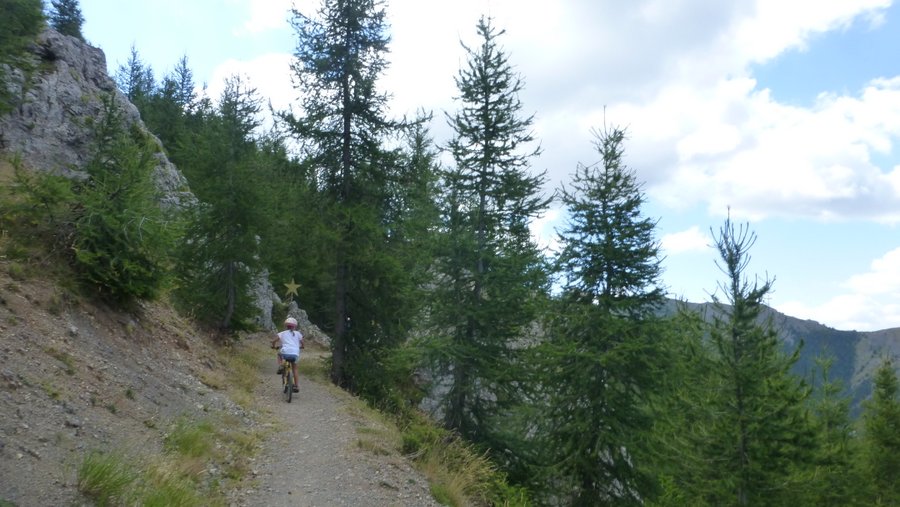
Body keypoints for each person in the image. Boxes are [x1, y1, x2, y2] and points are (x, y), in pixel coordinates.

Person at [271, 317, 303, 393]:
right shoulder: (298, 334)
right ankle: (296, 386)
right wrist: (302, 346)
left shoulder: (282, 333)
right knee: (295, 369)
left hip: (285, 352)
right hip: (295, 353)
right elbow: (302, 343)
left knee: (279, 354)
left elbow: (273, 341)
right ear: (295, 326)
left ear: (286, 326)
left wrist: (273, 346)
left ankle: (281, 365)